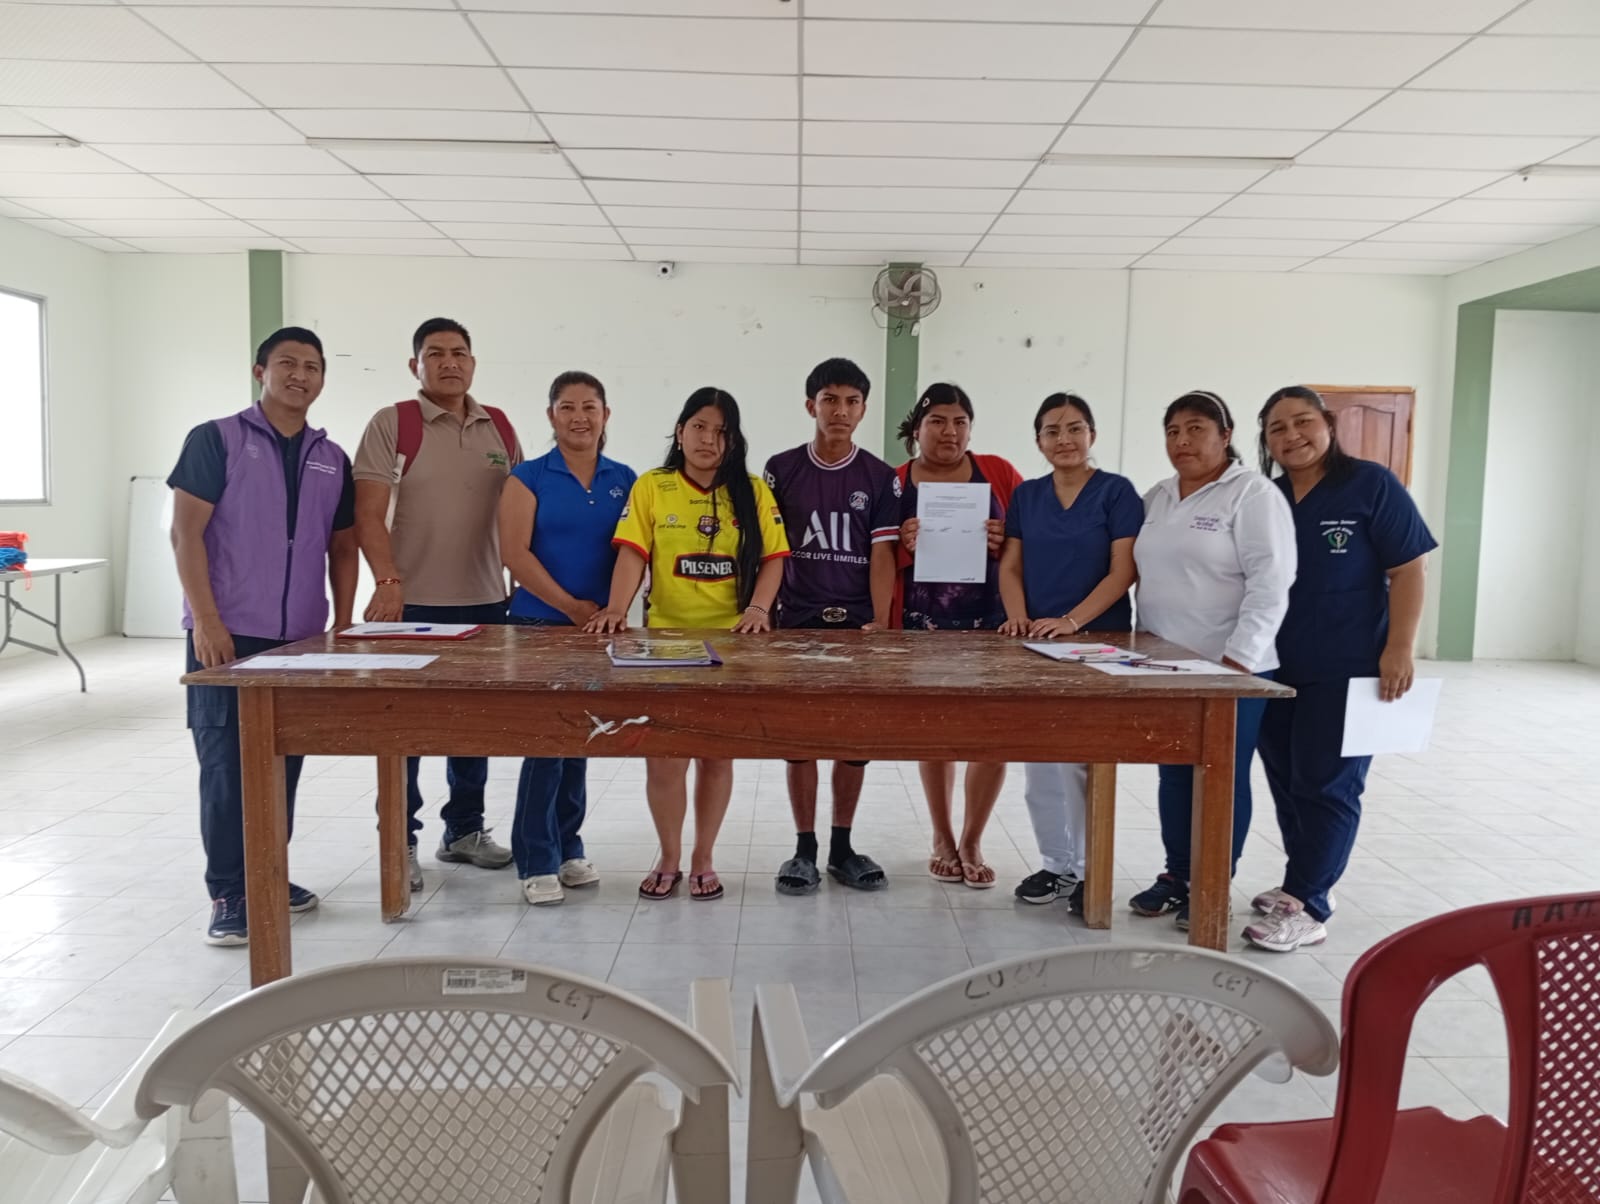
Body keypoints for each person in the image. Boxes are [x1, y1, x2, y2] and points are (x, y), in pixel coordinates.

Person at [169, 327, 358, 946]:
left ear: (322, 378)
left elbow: (342, 546)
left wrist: (341, 624)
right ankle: (229, 892)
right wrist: (208, 620)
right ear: (261, 372)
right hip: (227, 635)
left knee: (282, 762)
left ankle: (267, 873)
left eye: (312, 366)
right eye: (287, 363)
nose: (300, 375)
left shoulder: (332, 457)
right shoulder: (216, 439)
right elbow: (186, 535)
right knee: (226, 766)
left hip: (297, 640)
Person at [1245, 386, 1436, 952]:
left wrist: (1399, 648)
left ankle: (1311, 903)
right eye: (1277, 428)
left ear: (1328, 424)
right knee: (1288, 780)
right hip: (1274, 664)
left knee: (1328, 785)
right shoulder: (1268, 496)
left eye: (1303, 421)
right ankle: (1299, 883)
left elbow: (1409, 569)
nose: (1291, 436)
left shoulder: (1371, 484)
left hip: (1348, 664)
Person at [586, 388, 788, 901]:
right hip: (665, 645)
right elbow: (633, 553)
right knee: (665, 757)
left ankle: (704, 857)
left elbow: (774, 559)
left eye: (721, 431)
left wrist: (758, 610)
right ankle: (670, 855)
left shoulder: (752, 491)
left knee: (717, 757)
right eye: (699, 426)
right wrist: (616, 608)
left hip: (732, 646)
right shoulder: (653, 486)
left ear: (733, 440)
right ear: (680, 432)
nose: (708, 439)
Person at [352, 317, 522, 891]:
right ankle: (399, 842)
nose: (449, 362)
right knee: (404, 731)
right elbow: (367, 514)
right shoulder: (393, 422)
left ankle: (464, 830)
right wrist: (387, 580)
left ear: (473, 362)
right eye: (435, 353)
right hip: (411, 607)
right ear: (415, 365)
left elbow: (519, 511)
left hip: (486, 603)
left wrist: (518, 583)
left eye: (459, 353)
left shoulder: (498, 426)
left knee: (473, 726)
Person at [1129, 390, 1296, 930]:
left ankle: (1213, 883)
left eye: (1196, 428)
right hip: (1161, 666)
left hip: (1231, 666)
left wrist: (1238, 658)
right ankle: (1178, 875)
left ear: (1225, 436)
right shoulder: (1157, 497)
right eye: (1172, 431)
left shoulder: (1252, 494)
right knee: (1175, 774)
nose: (1182, 441)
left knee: (1220, 775)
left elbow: (1272, 581)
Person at [997, 393, 1142, 912]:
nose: (1064, 440)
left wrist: (1072, 622)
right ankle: (1055, 865)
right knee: (1040, 762)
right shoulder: (1027, 495)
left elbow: (1123, 570)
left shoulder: (1116, 492)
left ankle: (1087, 871)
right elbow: (1010, 565)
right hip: (1036, 644)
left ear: (1092, 435)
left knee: (1081, 764)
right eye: (1052, 431)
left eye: (1075, 428)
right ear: (1038, 441)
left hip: (1096, 643)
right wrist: (1017, 616)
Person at [498, 371, 636, 907]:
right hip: (539, 627)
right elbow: (515, 555)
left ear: (606, 414)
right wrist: (572, 608)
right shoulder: (528, 477)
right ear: (551, 415)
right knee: (545, 744)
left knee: (581, 739)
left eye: (589, 407)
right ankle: (536, 858)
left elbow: (633, 551)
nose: (579, 417)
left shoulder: (624, 478)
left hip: (599, 631)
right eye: (567, 407)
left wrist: (611, 611)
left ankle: (568, 845)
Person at [764, 357, 899, 896]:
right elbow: (771, 549)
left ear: (864, 409)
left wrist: (881, 621)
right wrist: (764, 611)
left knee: (852, 740)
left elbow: (883, 555)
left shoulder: (881, 477)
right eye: (829, 400)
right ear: (810, 405)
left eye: (851, 401)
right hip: (796, 624)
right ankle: (804, 848)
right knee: (800, 740)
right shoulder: (781, 468)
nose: (840, 410)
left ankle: (842, 847)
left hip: (858, 628)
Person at [893, 382, 1023, 890]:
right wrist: (904, 544)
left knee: (993, 736)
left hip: (993, 625)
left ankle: (972, 838)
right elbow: (876, 553)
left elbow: (1030, 538)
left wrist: (1005, 539)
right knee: (936, 733)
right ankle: (942, 836)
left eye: (960, 422)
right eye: (938, 421)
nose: (950, 432)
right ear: (917, 428)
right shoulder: (896, 481)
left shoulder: (999, 472)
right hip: (922, 625)